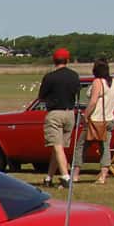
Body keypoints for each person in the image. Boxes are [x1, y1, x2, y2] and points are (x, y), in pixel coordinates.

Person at [39, 47, 80, 188]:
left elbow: (41, 97)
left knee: (57, 147)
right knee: (59, 148)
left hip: (55, 113)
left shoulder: (50, 77)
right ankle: (49, 178)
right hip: (70, 113)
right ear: (67, 60)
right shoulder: (74, 76)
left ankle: (65, 177)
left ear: (54, 60)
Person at [86, 58, 114, 183]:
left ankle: (74, 172)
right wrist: (111, 106)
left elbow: (93, 101)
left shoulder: (97, 82)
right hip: (109, 118)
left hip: (96, 119)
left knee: (81, 146)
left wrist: (85, 115)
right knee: (105, 147)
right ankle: (104, 174)